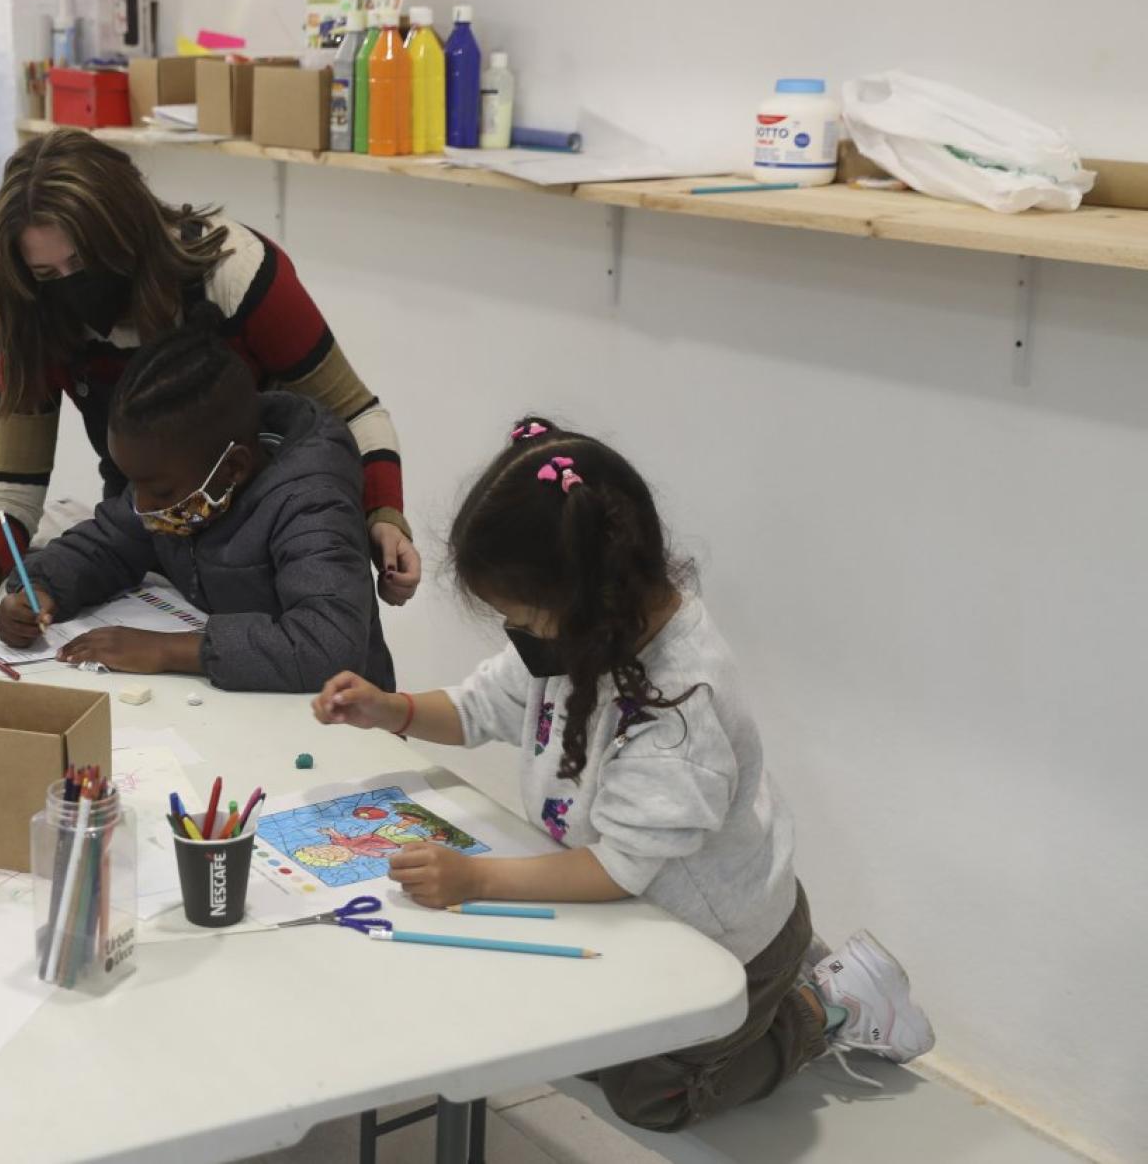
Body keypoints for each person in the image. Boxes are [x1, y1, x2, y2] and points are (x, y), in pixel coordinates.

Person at [312, 416, 934, 1132]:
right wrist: (390, 709)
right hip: (640, 913)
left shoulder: (680, 709)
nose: (519, 638)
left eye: (524, 620)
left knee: (652, 1098)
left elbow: (619, 868)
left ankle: (824, 1003)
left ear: (586, 601)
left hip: (727, 942)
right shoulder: (584, 633)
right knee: (564, 1037)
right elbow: (483, 705)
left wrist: (477, 878)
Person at [0, 128, 421, 628]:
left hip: (272, 537)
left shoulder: (231, 272)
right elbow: (16, 485)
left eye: (84, 260)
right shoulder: (36, 314)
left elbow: (356, 412)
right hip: (149, 537)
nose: (72, 286)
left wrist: (384, 514)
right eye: (47, 273)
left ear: (128, 229)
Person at [0, 330, 392, 691]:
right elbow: (107, 543)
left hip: (343, 727)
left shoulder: (311, 502)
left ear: (233, 467)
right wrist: (40, 589)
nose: (143, 506)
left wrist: (169, 651)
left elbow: (329, 645)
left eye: (159, 489)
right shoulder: (183, 483)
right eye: (136, 484)